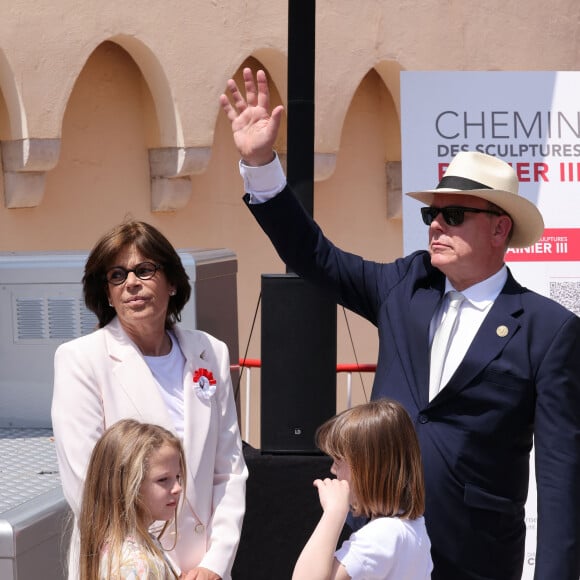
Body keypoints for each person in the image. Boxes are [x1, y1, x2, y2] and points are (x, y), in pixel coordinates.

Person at [220, 68, 580, 579]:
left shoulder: (548, 329)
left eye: (453, 215)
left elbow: (561, 474)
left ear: (500, 227)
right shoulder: (405, 285)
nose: (435, 224)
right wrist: (260, 166)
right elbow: (315, 256)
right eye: (431, 213)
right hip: (377, 541)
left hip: (474, 556)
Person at [51, 220, 247, 580]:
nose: (131, 284)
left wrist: (214, 564)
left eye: (144, 270)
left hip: (205, 568)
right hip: (129, 564)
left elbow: (229, 469)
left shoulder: (210, 351)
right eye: (117, 275)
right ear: (107, 294)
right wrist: (159, 568)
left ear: (172, 281)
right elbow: (89, 486)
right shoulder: (80, 360)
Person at [292, 399, 433, 580]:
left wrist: (334, 513)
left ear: (367, 469)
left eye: (338, 461)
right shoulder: (414, 526)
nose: (333, 470)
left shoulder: (381, 535)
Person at [79, 419, 185, 579]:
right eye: (163, 480)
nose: (178, 488)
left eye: (178, 476)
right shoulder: (133, 564)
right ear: (127, 485)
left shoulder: (137, 546)